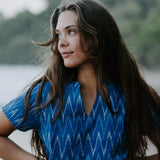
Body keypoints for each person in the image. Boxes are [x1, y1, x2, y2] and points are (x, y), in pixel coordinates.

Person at [0, 0, 160, 159]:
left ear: (97, 34)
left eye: (70, 32)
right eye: (58, 35)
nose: (61, 43)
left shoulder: (129, 95)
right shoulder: (47, 95)